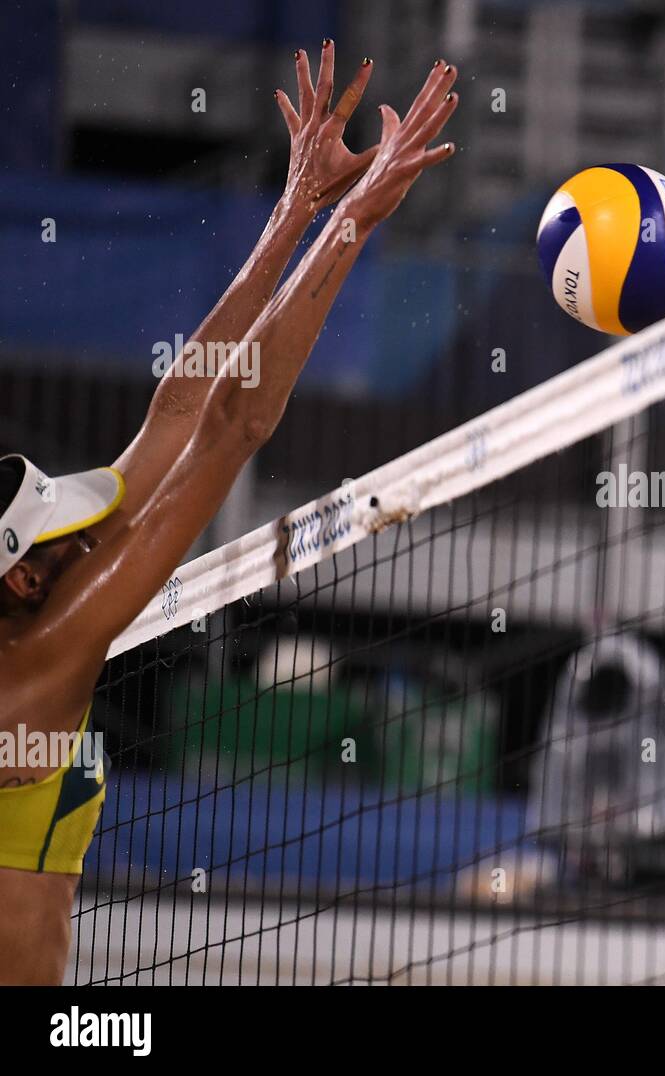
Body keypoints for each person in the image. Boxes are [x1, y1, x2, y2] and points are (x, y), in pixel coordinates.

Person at [0, 42, 459, 985]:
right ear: (22, 575)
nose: (80, 520)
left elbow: (179, 411)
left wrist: (296, 208)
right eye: (54, 526)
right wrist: (355, 227)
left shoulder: (40, 623)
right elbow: (233, 425)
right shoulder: (38, 670)